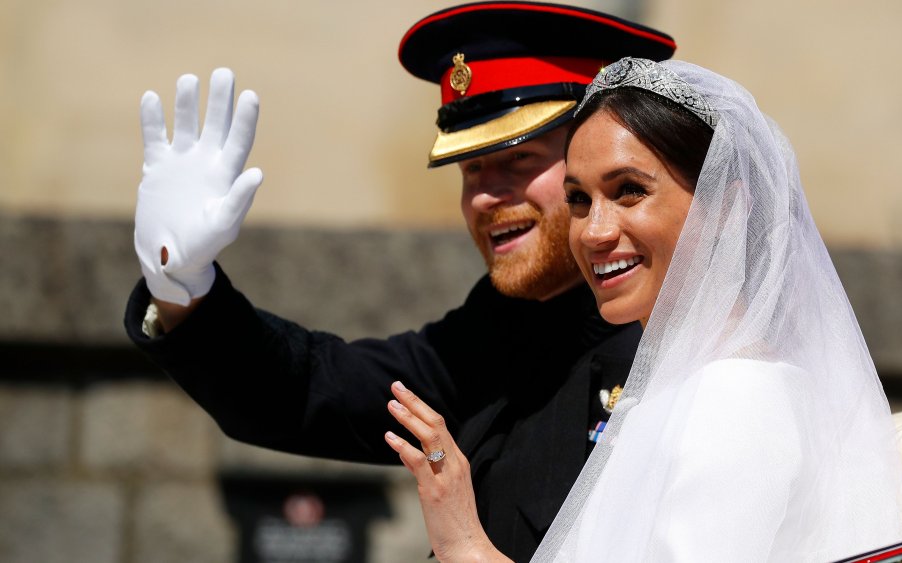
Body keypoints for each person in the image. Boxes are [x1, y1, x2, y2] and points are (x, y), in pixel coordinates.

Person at [123, 3, 677, 561]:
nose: (485, 196)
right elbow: (315, 391)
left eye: (517, 159)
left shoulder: (684, 340)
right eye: (470, 170)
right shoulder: (499, 328)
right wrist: (182, 286)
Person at [384, 58, 902, 562]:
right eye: (578, 199)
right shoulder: (675, 388)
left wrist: (467, 546)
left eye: (630, 191)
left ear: (728, 206)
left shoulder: (735, 397)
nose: (594, 231)